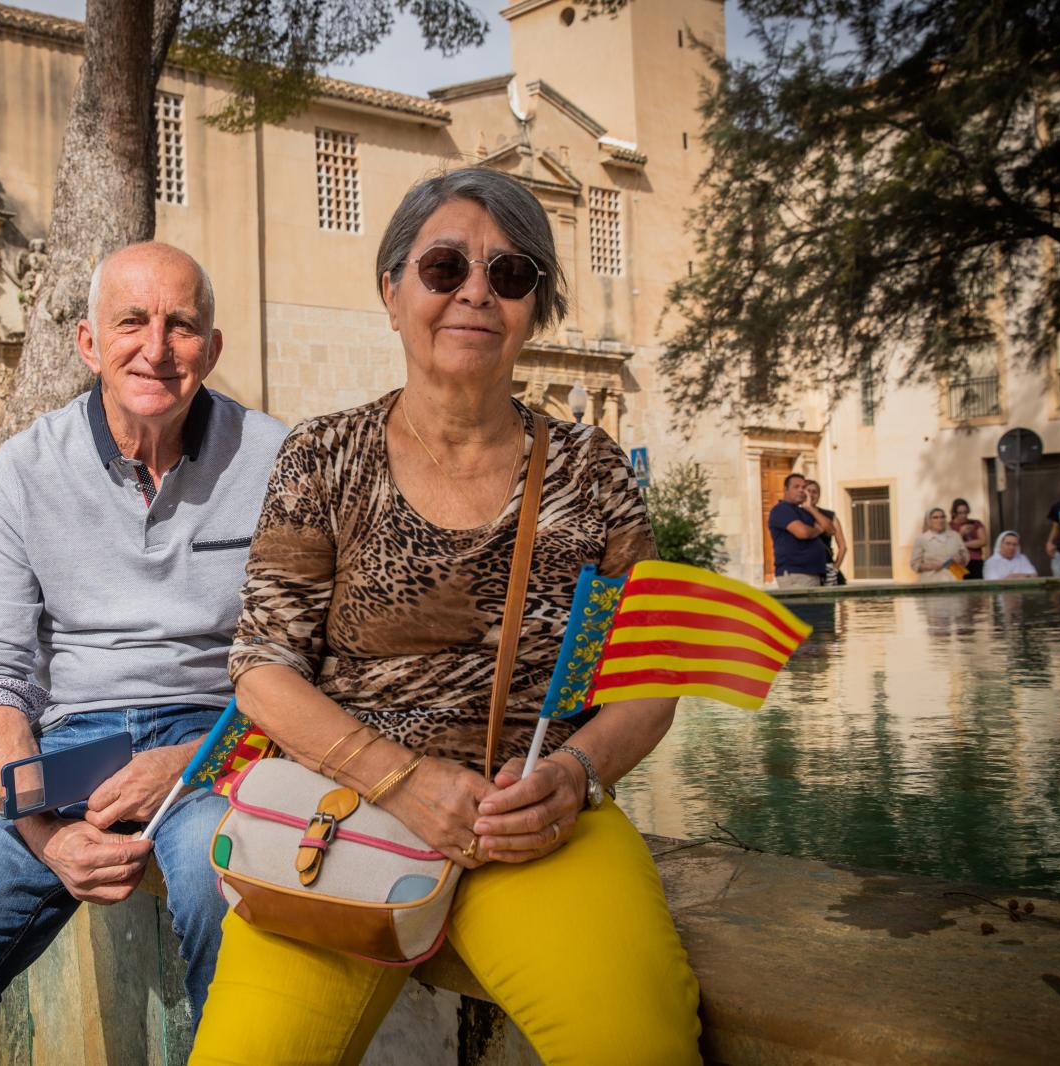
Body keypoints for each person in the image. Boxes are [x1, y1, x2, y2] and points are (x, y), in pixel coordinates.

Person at [189, 168, 700, 1065]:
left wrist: (576, 774)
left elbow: (649, 678)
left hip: (539, 824)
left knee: (639, 1046)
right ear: (392, 291)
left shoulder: (592, 467)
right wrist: (404, 781)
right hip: (345, 815)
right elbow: (263, 669)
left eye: (510, 274)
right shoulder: (323, 455)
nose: (476, 291)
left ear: (534, 308)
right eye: (444, 267)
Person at [0, 243, 288, 1064]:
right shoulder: (24, 469)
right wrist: (42, 830)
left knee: (213, 888)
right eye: (131, 321)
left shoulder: (275, 459)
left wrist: (195, 761)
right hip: (69, 745)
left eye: (181, 325)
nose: (156, 348)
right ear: (89, 343)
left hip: (211, 734)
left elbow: (305, 656)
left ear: (214, 347)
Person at [768, 472, 830, 587]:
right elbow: (803, 533)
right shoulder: (781, 509)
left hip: (811, 573)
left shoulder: (804, 511)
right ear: (785, 489)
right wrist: (817, 530)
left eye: (803, 487)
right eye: (796, 487)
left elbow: (830, 529)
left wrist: (810, 508)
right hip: (797, 573)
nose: (801, 490)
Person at [804, 479, 847, 585]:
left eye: (815, 492)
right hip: (805, 567)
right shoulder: (797, 514)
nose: (811, 495)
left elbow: (842, 546)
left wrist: (835, 568)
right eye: (808, 491)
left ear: (819, 495)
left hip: (826, 566)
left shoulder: (830, 516)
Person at [909, 507, 967, 582]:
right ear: (929, 520)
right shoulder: (922, 539)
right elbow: (914, 564)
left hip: (954, 579)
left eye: (942, 517)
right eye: (935, 517)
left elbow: (965, 556)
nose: (940, 520)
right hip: (932, 580)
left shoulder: (955, 536)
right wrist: (930, 566)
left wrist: (961, 559)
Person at [950, 498, 987, 580]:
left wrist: (962, 544)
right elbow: (950, 546)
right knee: (959, 588)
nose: (964, 515)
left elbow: (983, 541)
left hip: (975, 560)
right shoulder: (949, 526)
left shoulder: (976, 523)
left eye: (965, 512)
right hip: (956, 562)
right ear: (954, 513)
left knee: (975, 588)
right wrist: (961, 533)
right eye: (960, 513)